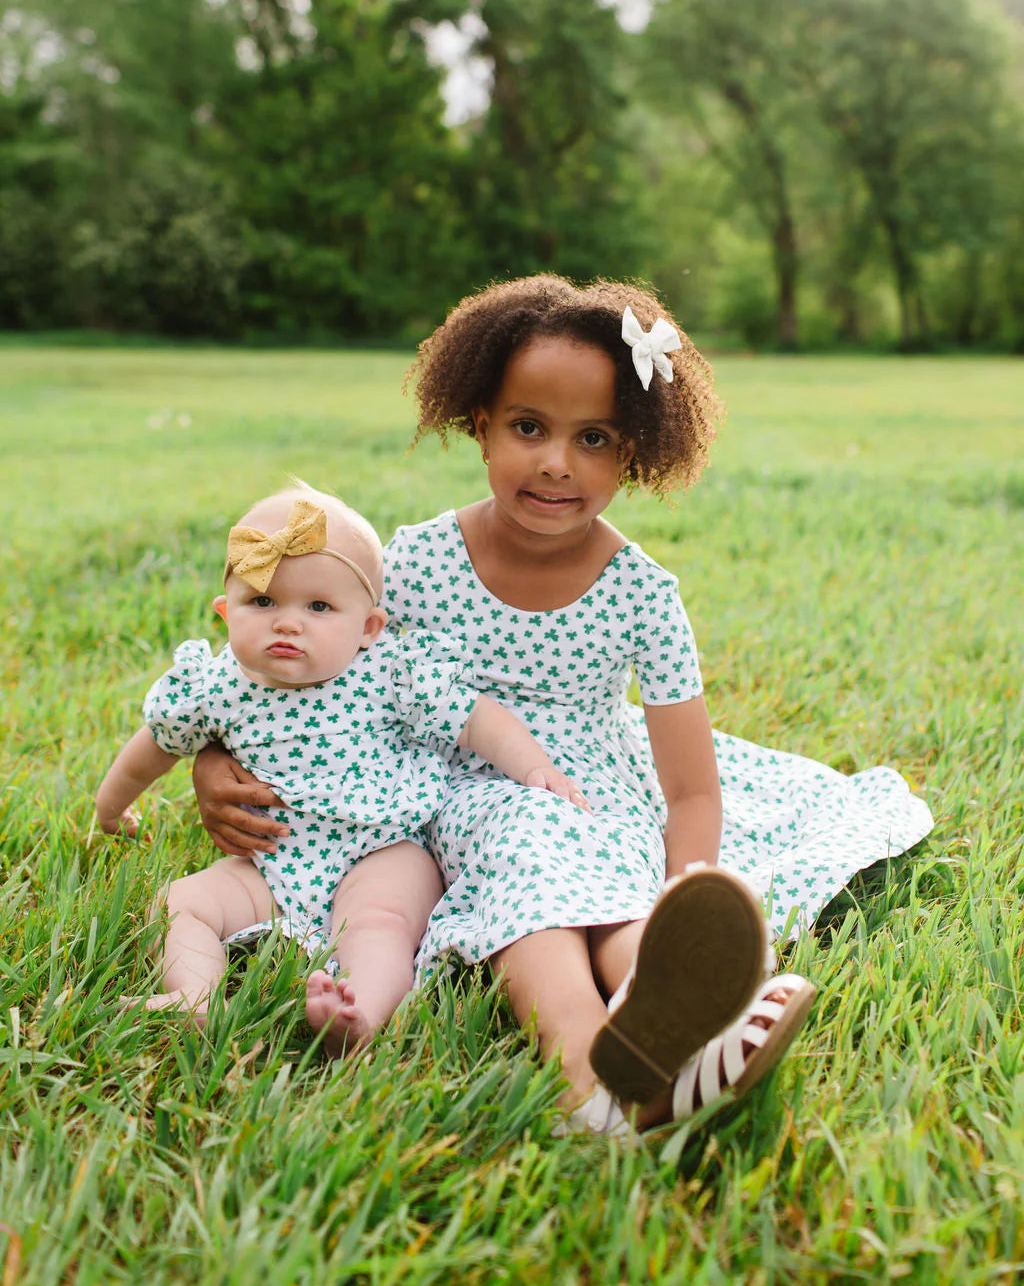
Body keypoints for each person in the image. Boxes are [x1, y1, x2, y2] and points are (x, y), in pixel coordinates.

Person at [194, 276, 932, 1132]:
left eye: (594, 438)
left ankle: (680, 996)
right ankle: (594, 1081)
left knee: (612, 898)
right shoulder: (417, 563)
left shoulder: (642, 592)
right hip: (453, 794)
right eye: (529, 428)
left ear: (635, 453)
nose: (556, 461)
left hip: (599, 793)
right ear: (480, 425)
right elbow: (289, 667)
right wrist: (214, 761)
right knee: (532, 871)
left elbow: (690, 791)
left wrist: (683, 891)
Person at [96, 486, 598, 1054]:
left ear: (368, 628)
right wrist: (110, 809)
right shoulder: (215, 688)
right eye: (263, 603)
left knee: (382, 924)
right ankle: (195, 996)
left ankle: (360, 1011)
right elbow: (155, 745)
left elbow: (477, 719)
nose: (288, 624)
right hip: (273, 859)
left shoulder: (390, 675)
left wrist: (536, 769)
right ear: (224, 611)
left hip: (383, 850)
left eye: (318, 607)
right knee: (179, 902)